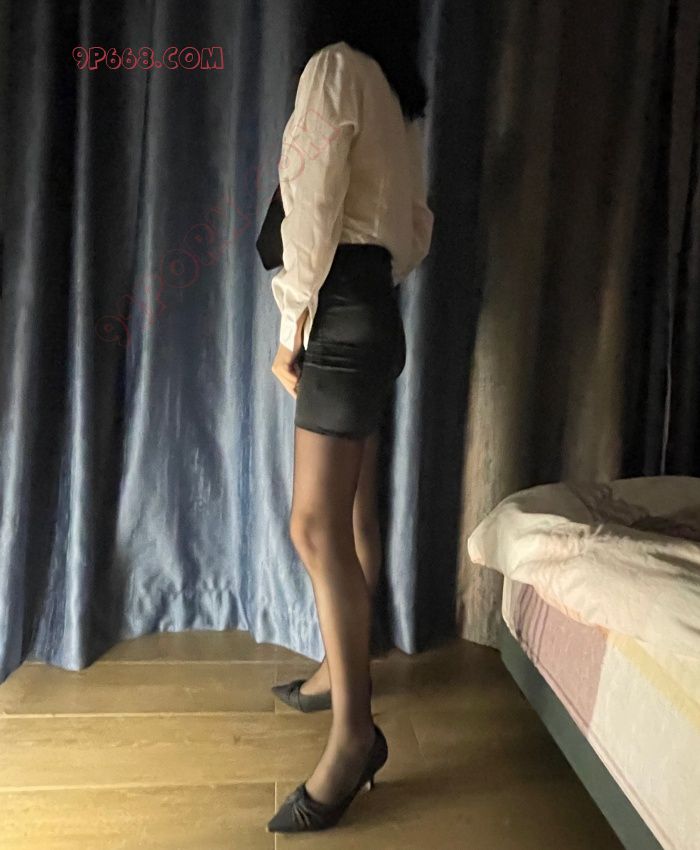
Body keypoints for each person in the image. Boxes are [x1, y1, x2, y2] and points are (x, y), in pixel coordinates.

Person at [264, 0, 434, 833]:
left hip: (336, 310)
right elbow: (417, 230)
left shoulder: (334, 68)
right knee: (354, 514)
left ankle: (354, 737)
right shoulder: (396, 93)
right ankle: (339, 674)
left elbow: (310, 209)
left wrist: (290, 326)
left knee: (314, 526)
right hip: (377, 308)